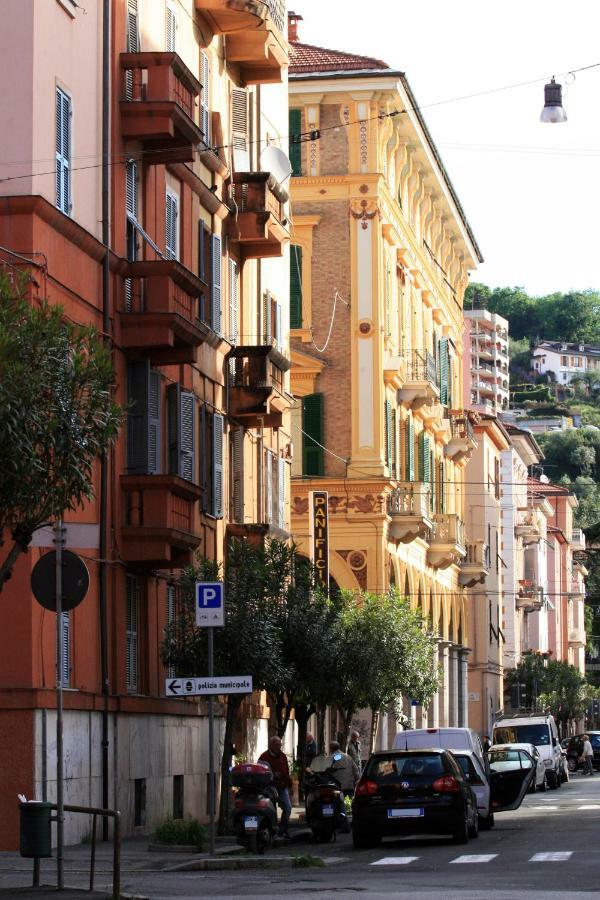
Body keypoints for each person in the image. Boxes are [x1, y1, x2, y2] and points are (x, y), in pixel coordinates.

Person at [258, 736, 293, 837]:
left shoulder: (282, 756)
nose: (279, 747)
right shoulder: (264, 757)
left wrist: (289, 785)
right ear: (271, 745)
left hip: (282, 786)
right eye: (277, 745)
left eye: (280, 745)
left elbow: (286, 771)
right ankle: (272, 831)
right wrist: (272, 775)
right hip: (269, 787)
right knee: (272, 809)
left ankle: (283, 828)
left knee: (287, 807)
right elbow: (261, 771)